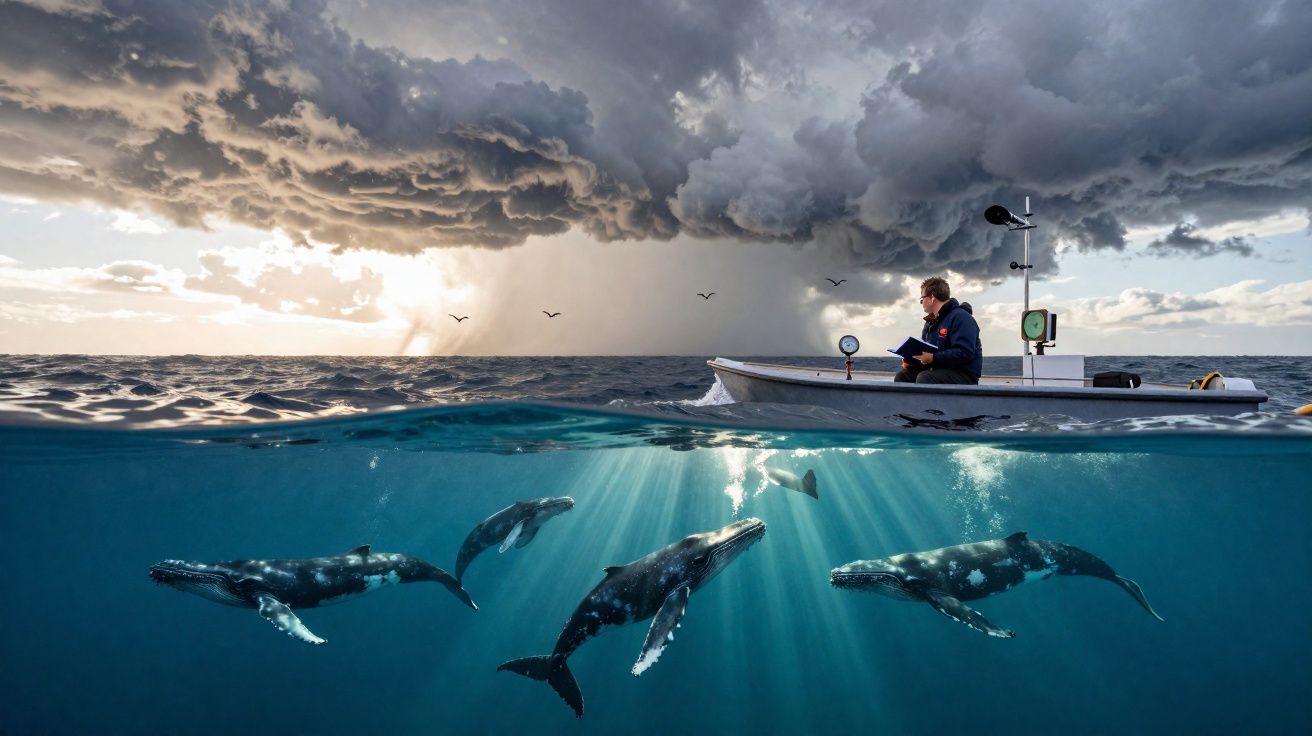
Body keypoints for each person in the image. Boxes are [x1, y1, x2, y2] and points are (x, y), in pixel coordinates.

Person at [894, 276, 982, 385]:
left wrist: (933, 358)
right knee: (903, 376)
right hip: (939, 368)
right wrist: (912, 360)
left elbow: (965, 352)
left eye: (922, 299)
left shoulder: (961, 318)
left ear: (932, 298)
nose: (921, 303)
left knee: (925, 378)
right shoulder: (930, 322)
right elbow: (928, 353)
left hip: (964, 374)